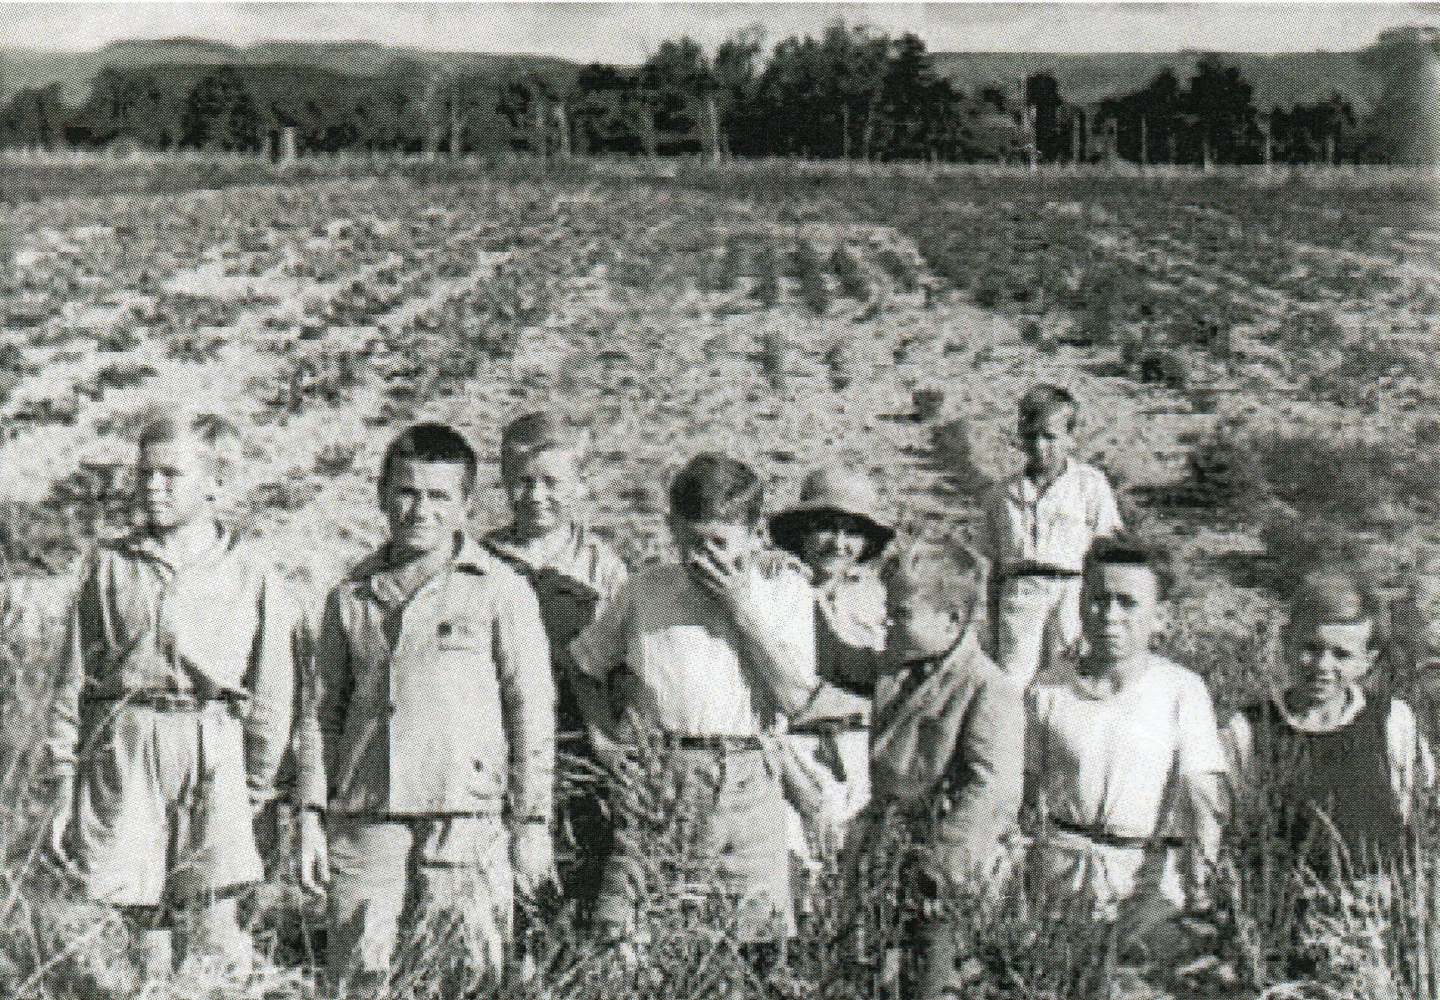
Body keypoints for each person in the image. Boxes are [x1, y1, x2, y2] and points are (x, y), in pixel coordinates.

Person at [44, 413, 308, 974]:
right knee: (139, 923)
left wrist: (254, 786)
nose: (153, 487)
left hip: (215, 742)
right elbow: (74, 684)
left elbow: (272, 694)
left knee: (215, 919)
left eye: (171, 474)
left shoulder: (252, 574)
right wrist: (64, 785)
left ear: (214, 483)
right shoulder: (111, 567)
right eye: (145, 474)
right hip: (129, 744)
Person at [294, 422, 554, 992]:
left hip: (466, 819)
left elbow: (530, 711)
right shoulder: (350, 595)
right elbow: (319, 714)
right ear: (383, 494)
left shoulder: (500, 590)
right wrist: (311, 813)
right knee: (359, 977)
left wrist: (531, 823)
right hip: (367, 818)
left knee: (465, 976)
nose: (420, 510)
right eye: (407, 492)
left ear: (465, 504)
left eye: (439, 496)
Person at [568, 453, 818, 950]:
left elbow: (795, 698)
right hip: (662, 772)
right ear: (671, 528)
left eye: (719, 544)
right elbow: (583, 665)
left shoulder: (785, 591)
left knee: (757, 937)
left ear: (752, 532)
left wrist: (741, 609)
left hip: (747, 776)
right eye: (690, 544)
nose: (703, 559)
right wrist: (603, 739)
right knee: (628, 931)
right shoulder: (647, 589)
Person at [1025, 536, 1223, 955]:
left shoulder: (1181, 690)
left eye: (1127, 602)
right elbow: (1022, 792)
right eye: (1097, 599)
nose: (1109, 616)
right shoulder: (1048, 687)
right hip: (1058, 879)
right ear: (1080, 605)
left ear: (1159, 615)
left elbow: (1201, 799)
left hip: (1145, 886)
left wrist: (1199, 887)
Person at [483, 412, 629, 923]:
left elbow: (616, 662)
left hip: (578, 739)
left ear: (580, 485)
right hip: (498, 738)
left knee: (579, 868)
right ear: (503, 482)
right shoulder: (481, 560)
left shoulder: (601, 565)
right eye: (522, 482)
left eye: (552, 482)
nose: (536, 496)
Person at [867, 540, 1025, 1000]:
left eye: (902, 614)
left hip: (941, 872)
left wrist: (940, 868)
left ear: (953, 620)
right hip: (888, 858)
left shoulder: (985, 687)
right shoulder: (900, 673)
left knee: (931, 983)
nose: (889, 623)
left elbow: (990, 789)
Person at [1221, 571, 1435, 873]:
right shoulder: (1247, 729)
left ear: (1368, 660)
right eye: (1311, 648)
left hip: (1378, 906)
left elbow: (1415, 810)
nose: (1323, 666)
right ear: (1287, 642)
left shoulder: (1392, 722)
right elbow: (1224, 827)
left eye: (1342, 654)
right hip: (1280, 906)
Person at [769, 467, 893, 901]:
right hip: (792, 755)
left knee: (857, 886)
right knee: (794, 879)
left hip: (860, 758)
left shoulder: (877, 599)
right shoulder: (773, 590)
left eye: (851, 532)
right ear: (802, 531)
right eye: (826, 527)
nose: (838, 544)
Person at [979, 385, 1122, 684]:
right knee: (1012, 679)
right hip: (1021, 589)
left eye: (1050, 436)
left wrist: (1096, 610)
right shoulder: (1002, 494)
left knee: (1069, 676)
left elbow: (1108, 553)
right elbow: (990, 567)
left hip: (1074, 590)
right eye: (1031, 436)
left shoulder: (1090, 485)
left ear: (1070, 438)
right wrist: (991, 623)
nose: (1040, 446)